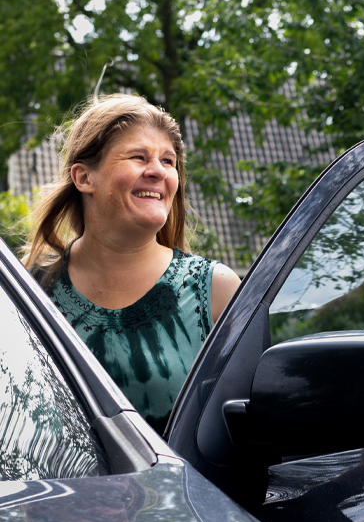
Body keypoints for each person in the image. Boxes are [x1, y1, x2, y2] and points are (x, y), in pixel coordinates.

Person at [22, 94, 241, 436]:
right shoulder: (28, 291)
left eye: (168, 162)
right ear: (83, 178)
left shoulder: (215, 290)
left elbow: (245, 438)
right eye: (139, 157)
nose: (158, 171)